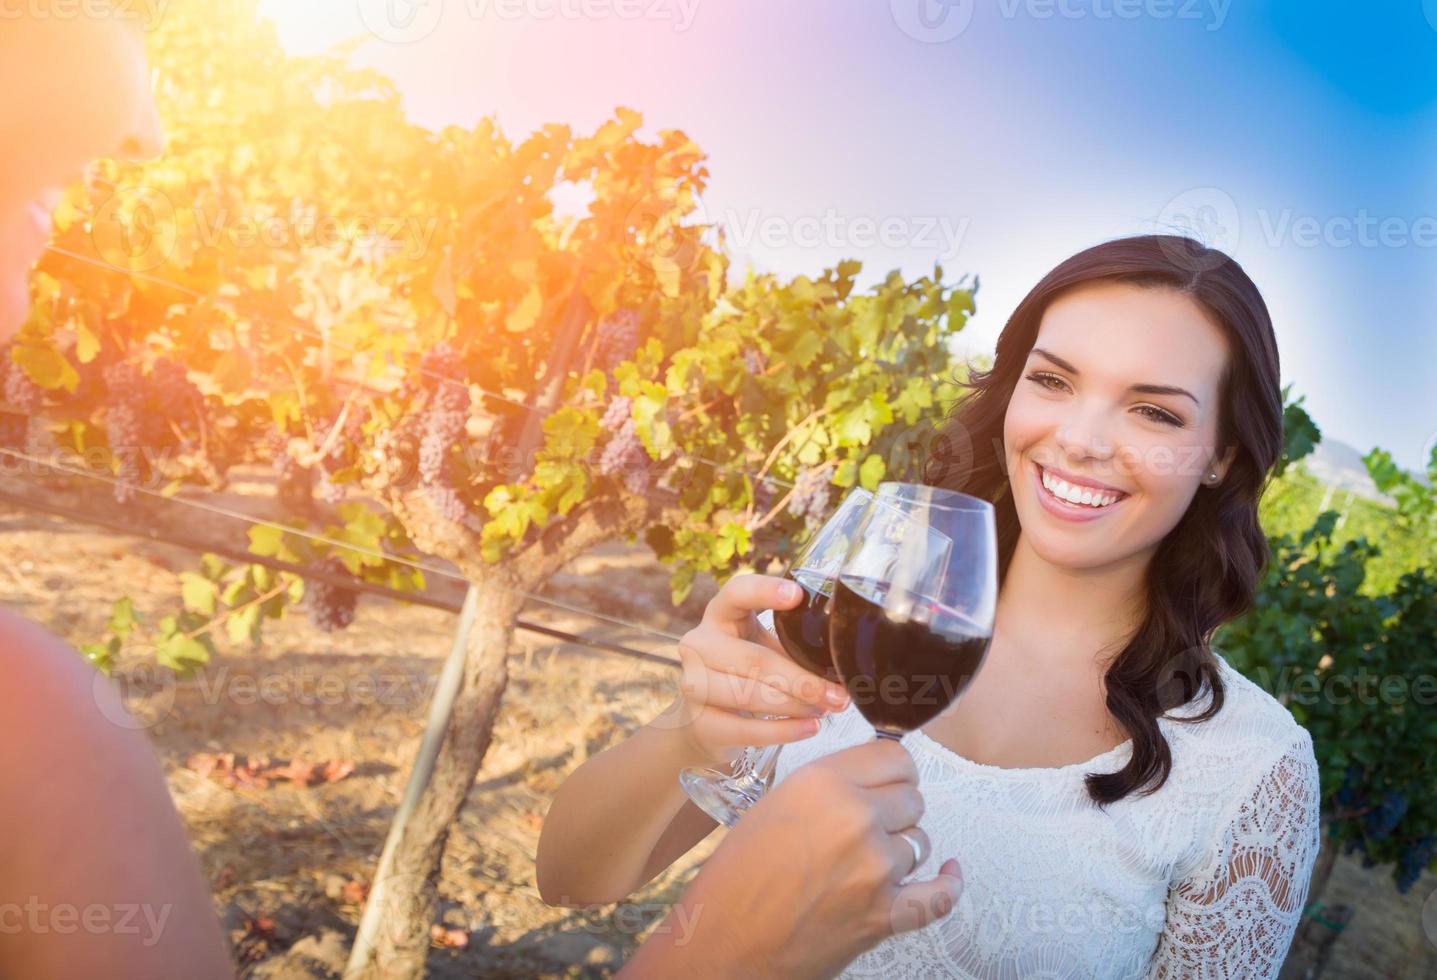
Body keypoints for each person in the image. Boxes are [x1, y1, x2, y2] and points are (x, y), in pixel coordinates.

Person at [2, 8, 962, 979]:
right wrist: (718, 917)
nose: (148, 141)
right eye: (1050, 379)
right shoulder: (34, 731)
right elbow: (570, 876)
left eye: (1134, 404)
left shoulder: (40, 728)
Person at [541, 235, 1324, 977]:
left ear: (1221, 455)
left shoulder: (1250, 773)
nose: (1081, 439)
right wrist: (691, 733)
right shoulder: (852, 612)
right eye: (1051, 380)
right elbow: (570, 879)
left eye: (1154, 411)